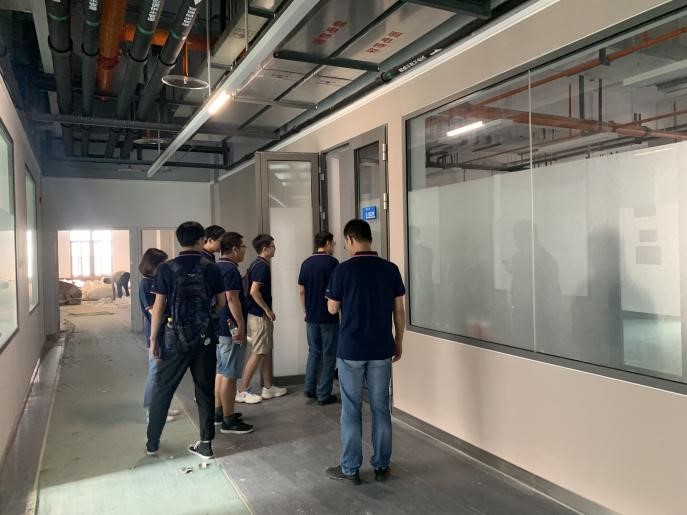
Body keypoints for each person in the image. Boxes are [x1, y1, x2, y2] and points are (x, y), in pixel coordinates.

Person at [325, 219, 405, 485]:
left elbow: (332, 309)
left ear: (350, 239)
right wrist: (399, 340)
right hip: (381, 348)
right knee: (381, 408)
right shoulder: (390, 269)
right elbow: (399, 311)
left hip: (351, 350)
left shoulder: (343, 270)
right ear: (369, 238)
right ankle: (381, 466)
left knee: (351, 409)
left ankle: (350, 469)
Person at [146, 221, 226, 460]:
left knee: (163, 388)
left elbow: (159, 307)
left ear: (179, 240)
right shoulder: (211, 268)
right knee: (204, 390)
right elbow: (221, 302)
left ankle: (152, 443)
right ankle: (206, 444)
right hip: (204, 339)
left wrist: (154, 339)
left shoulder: (165, 268)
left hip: (174, 338)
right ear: (201, 240)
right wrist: (208, 318)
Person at [235, 234, 287, 403]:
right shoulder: (261, 267)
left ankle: (268, 387)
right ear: (265, 248)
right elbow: (254, 291)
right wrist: (267, 310)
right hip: (259, 316)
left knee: (265, 351)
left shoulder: (257, 264)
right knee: (258, 352)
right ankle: (242, 390)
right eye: (272, 246)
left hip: (257, 315)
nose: (275, 248)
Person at [214, 232, 254, 434]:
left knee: (221, 371)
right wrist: (241, 324)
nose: (245, 250)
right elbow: (231, 298)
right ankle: (229, 421)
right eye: (243, 246)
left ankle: (219, 412)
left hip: (220, 327)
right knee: (230, 375)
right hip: (230, 329)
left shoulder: (217, 266)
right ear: (235, 249)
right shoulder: (230, 269)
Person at [138, 248, 180, 424]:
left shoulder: (156, 281)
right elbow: (154, 311)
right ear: (152, 265)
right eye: (161, 263)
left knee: (162, 373)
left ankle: (161, 406)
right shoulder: (146, 284)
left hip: (165, 332)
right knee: (155, 373)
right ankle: (152, 411)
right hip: (155, 333)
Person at [298, 231, 339, 405]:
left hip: (311, 316)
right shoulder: (333, 263)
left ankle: (309, 388)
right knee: (329, 354)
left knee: (314, 352)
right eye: (333, 243)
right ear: (327, 243)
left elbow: (302, 290)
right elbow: (337, 290)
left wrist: (305, 310)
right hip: (329, 316)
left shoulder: (306, 263)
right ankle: (323, 394)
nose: (334, 246)